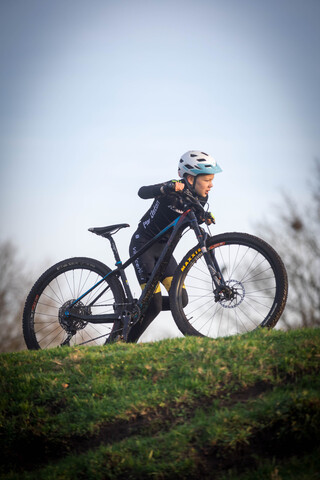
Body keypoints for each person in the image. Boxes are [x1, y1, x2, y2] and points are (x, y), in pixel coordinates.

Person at [127, 150, 222, 342]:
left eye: (212, 180)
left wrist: (204, 217)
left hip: (164, 252)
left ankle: (133, 309)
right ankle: (126, 342)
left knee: (181, 300)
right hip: (143, 246)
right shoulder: (172, 190)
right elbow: (141, 192)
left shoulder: (200, 199)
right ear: (189, 178)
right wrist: (166, 187)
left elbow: (194, 217)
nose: (211, 185)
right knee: (153, 305)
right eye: (206, 180)